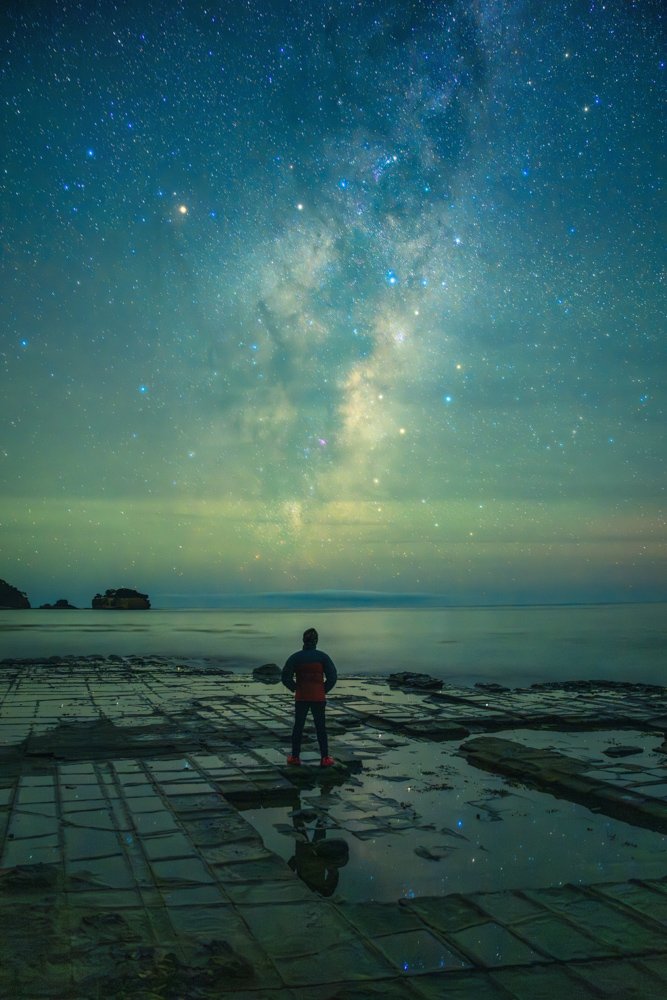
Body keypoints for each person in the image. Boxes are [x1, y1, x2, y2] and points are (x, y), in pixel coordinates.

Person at [281, 627, 337, 767]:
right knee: (321, 728)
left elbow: (285, 677)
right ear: (316, 641)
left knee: (298, 727)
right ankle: (325, 758)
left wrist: (295, 688)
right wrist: (322, 690)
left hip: (301, 697)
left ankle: (295, 757)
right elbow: (333, 677)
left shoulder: (295, 657)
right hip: (318, 697)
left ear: (303, 640)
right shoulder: (322, 657)